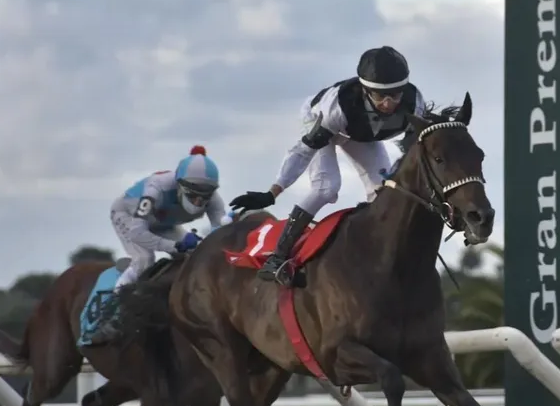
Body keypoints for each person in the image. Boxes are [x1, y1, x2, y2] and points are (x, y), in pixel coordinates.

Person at [228, 45, 426, 285]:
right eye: (379, 96)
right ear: (365, 90)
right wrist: (273, 192)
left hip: (361, 134)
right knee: (327, 189)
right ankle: (278, 256)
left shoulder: (414, 104)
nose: (388, 104)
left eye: (395, 95)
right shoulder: (337, 108)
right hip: (322, 122)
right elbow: (303, 152)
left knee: (383, 191)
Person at [86, 145, 226, 343]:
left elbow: (220, 234)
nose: (198, 201)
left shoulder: (214, 199)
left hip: (164, 223)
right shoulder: (156, 188)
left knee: (194, 257)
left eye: (205, 195)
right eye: (193, 194)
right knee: (144, 259)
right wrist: (175, 246)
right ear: (179, 185)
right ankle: (111, 315)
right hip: (128, 217)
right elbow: (137, 232)